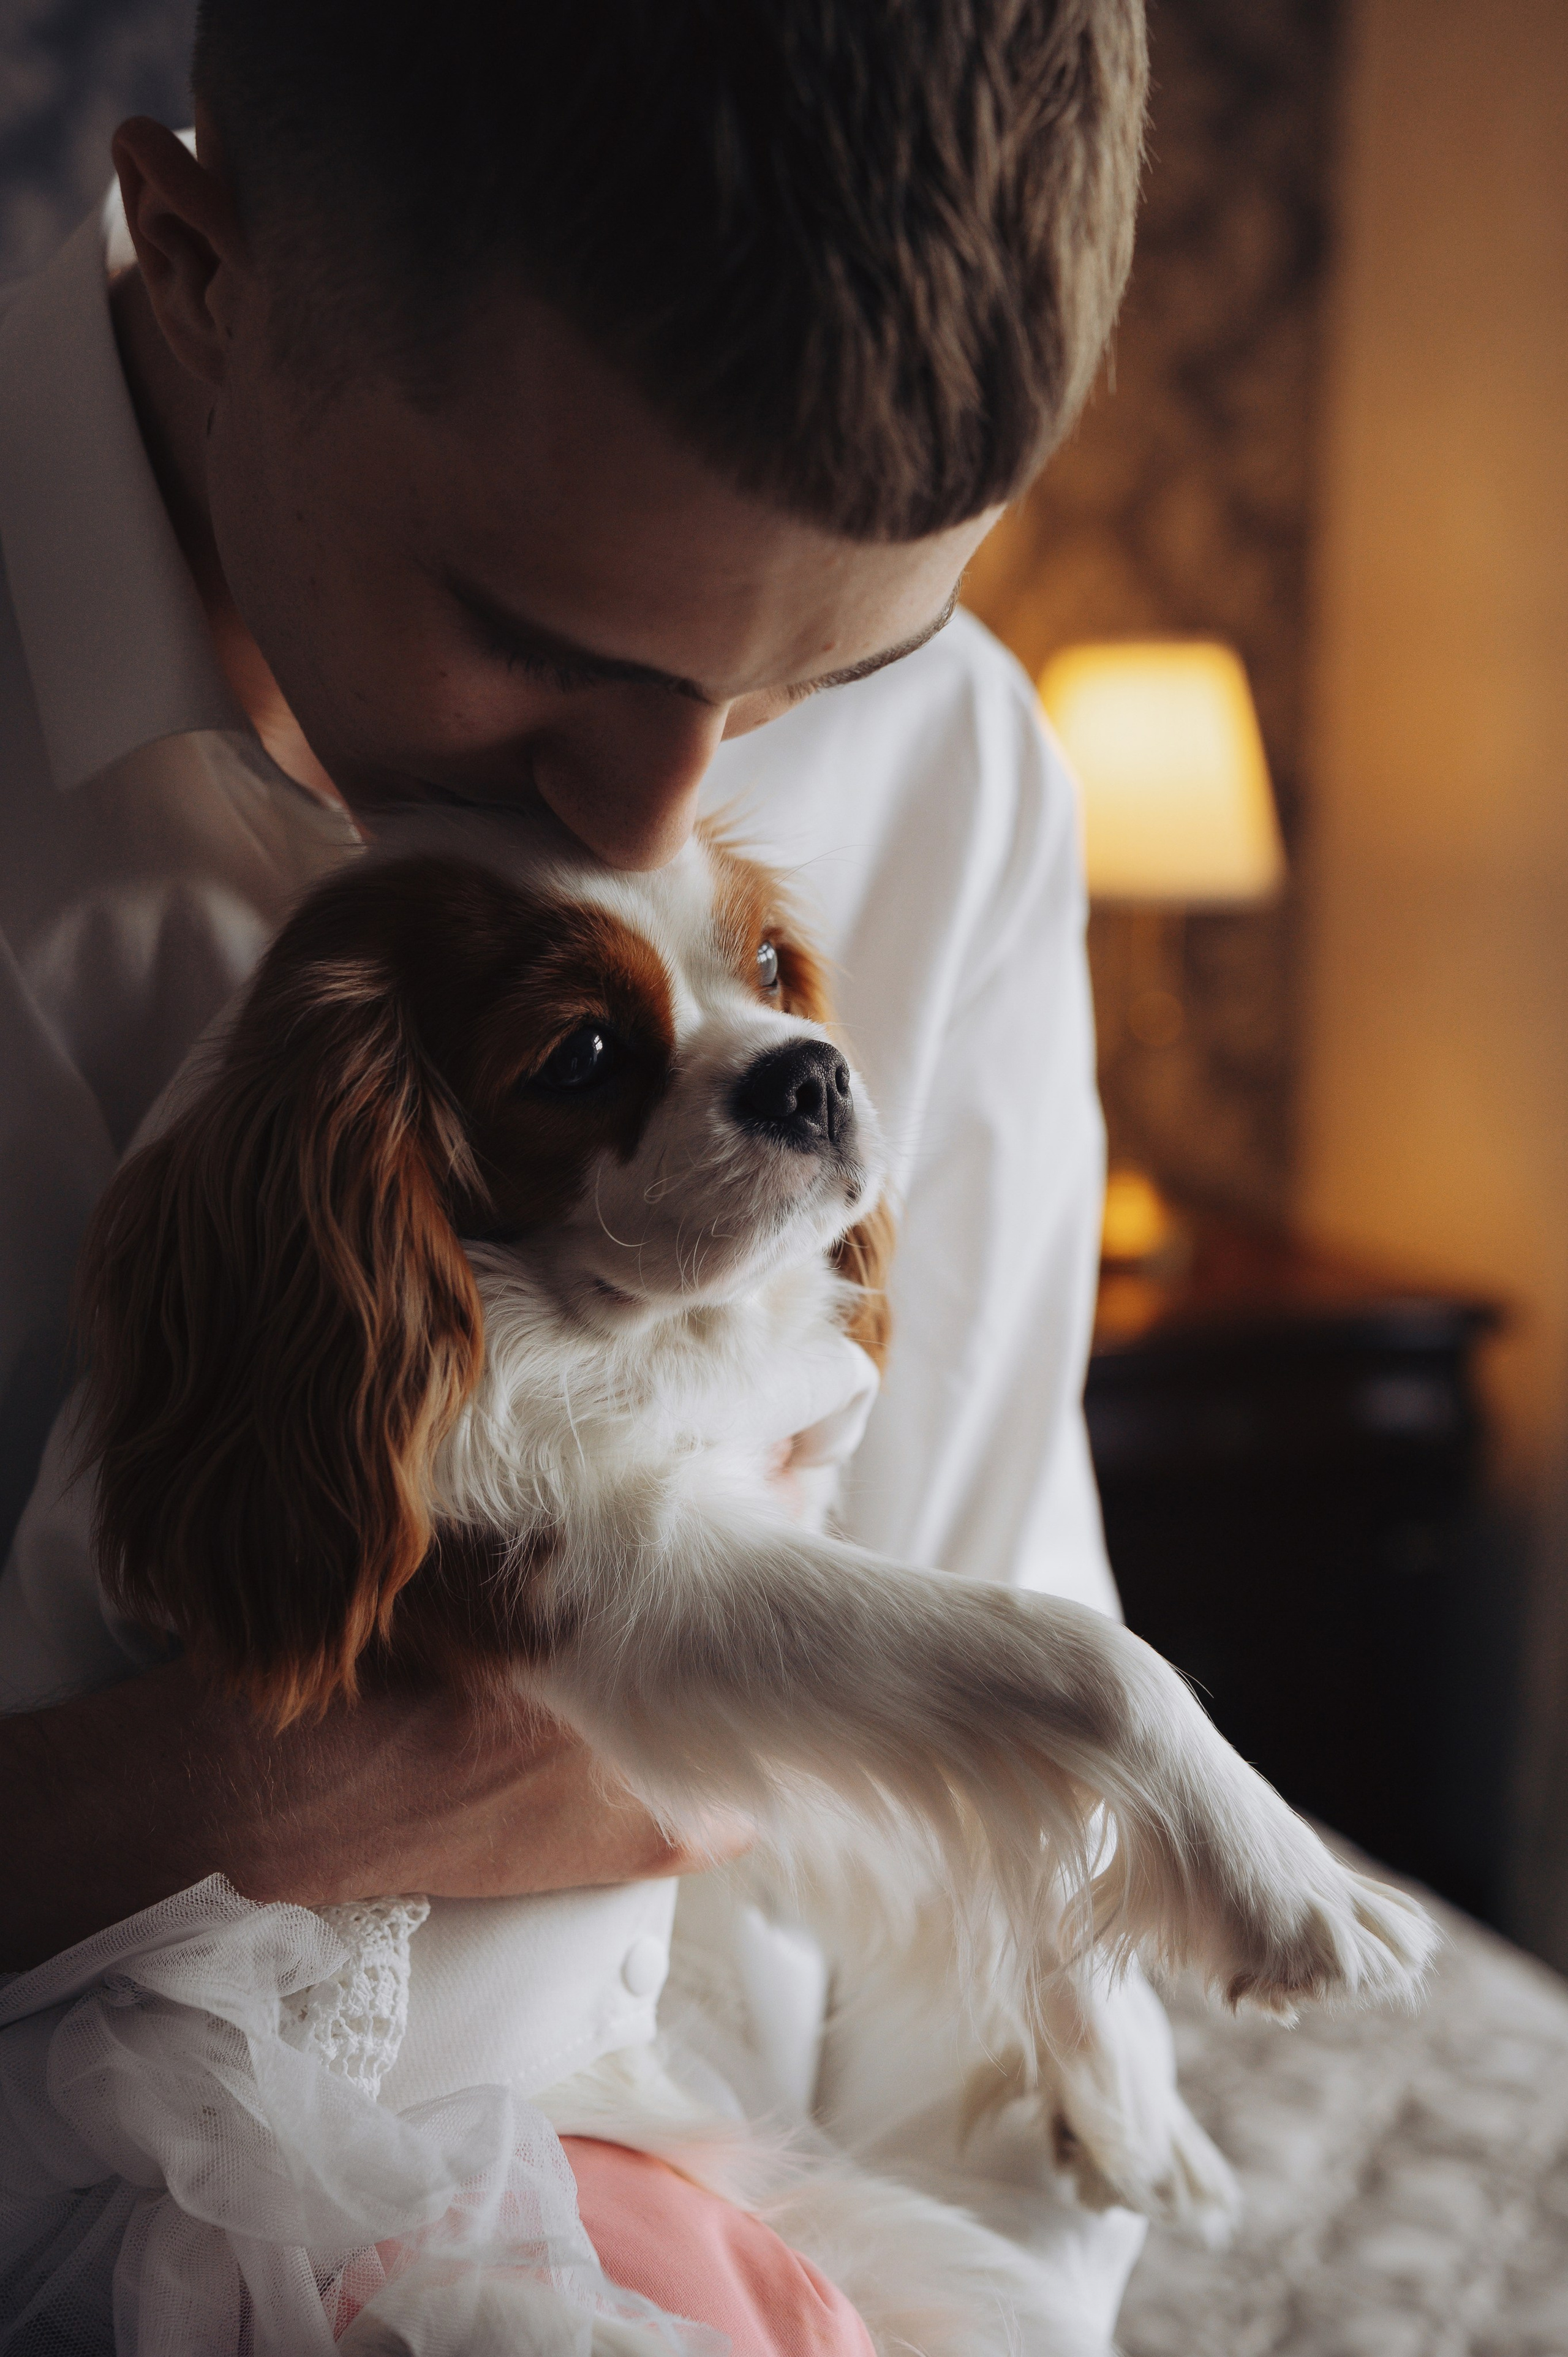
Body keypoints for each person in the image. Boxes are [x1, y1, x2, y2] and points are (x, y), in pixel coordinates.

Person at [0, 0, 1151, 2347]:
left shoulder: (960, 770)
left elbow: (986, 1852)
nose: (659, 818)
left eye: (835, 673)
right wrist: (295, 1779)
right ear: (206, 273)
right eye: (538, 643)